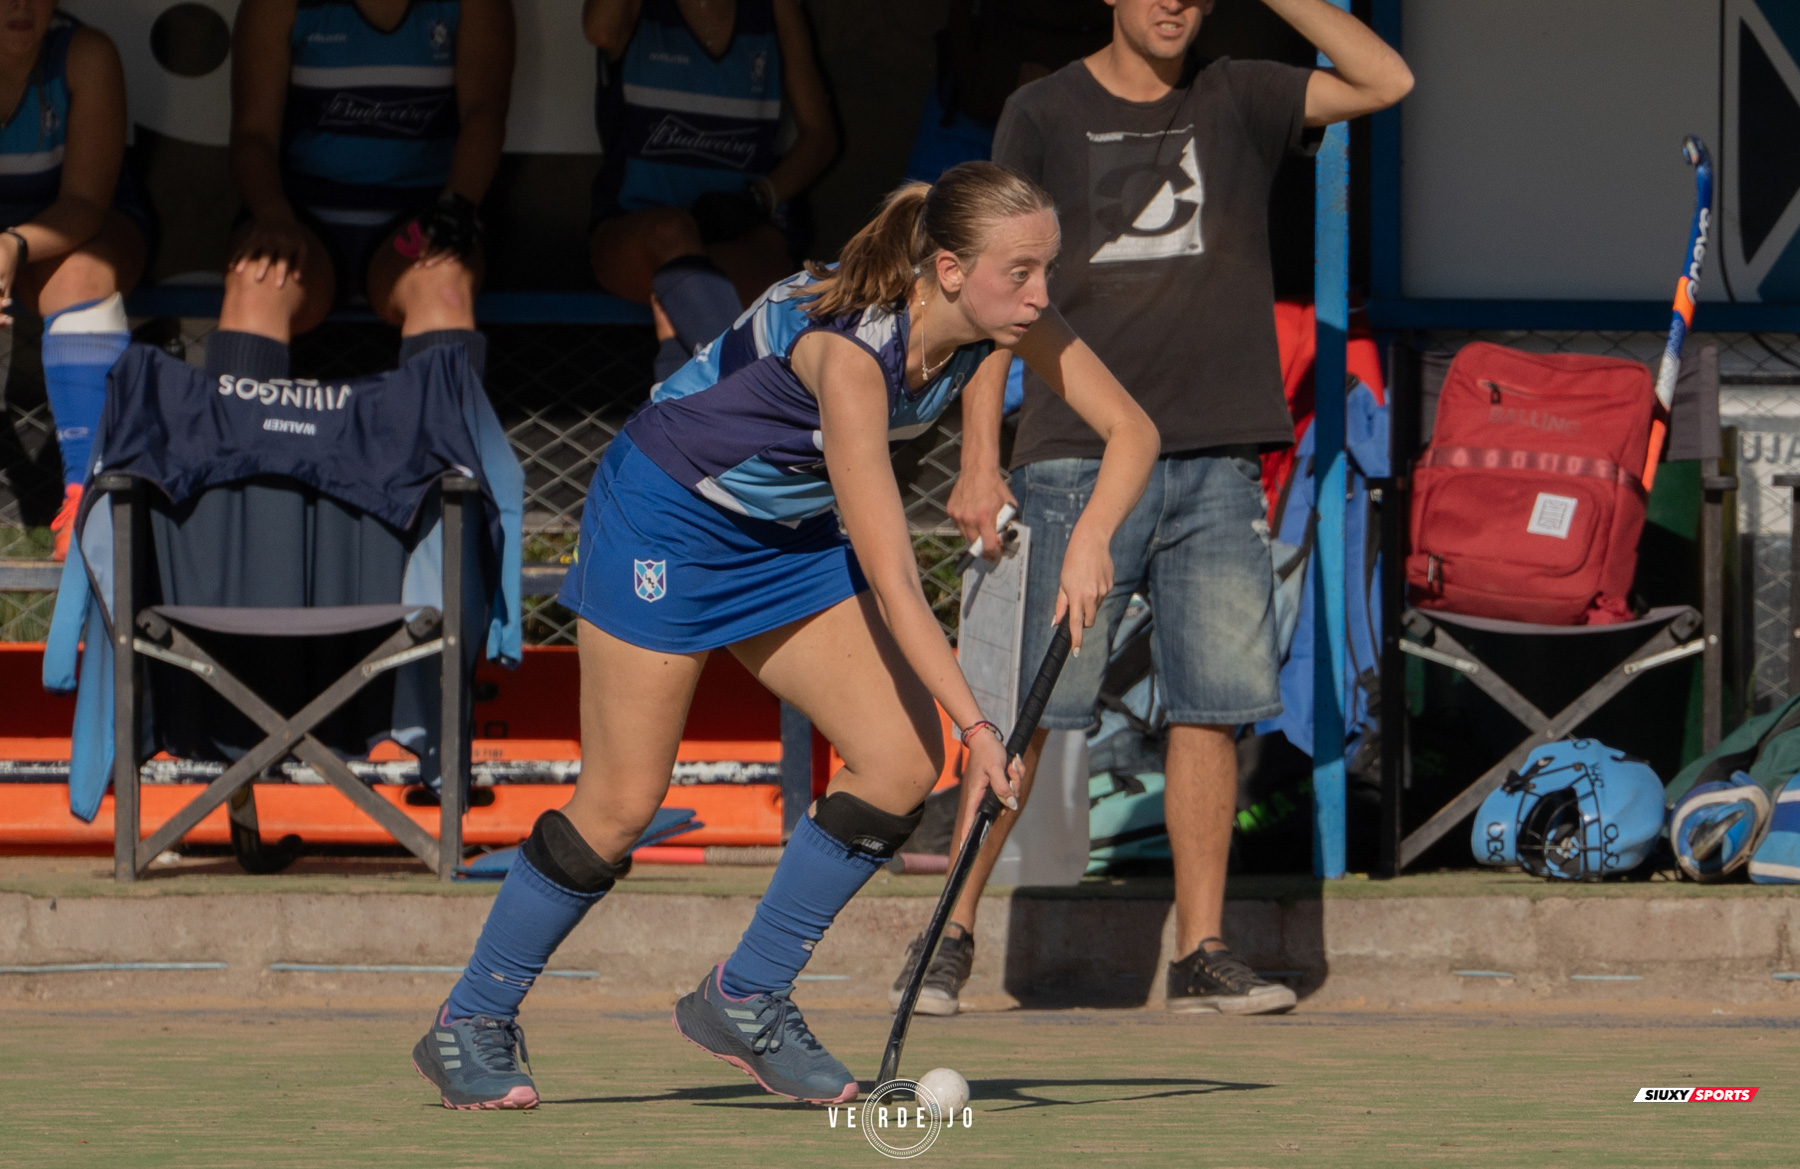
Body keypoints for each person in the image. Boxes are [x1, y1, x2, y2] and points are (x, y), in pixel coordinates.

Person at [410, 161, 1159, 1109]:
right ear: (949, 268)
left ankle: (747, 997)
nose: (1042, 294)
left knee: (895, 763)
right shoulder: (849, 355)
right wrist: (979, 729)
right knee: (622, 802)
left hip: (783, 536)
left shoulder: (997, 318)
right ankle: (470, 1019)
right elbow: (894, 578)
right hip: (667, 518)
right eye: (1022, 272)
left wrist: (1090, 538)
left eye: (1047, 269)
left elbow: (1133, 430)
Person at [891, 0, 1412, 1018]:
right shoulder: (1042, 109)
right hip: (1074, 459)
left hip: (1217, 457)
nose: (1172, 2)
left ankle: (1202, 950)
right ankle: (946, 934)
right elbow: (998, 292)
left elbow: (1388, 81)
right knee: (1028, 707)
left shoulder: (1243, 92)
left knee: (1210, 711)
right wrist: (980, 456)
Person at [215, 0, 513, 388]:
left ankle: (440, 447)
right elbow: (253, 136)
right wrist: (274, 217)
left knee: (443, 285)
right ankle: (234, 446)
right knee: (257, 282)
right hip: (301, 222)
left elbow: (484, 116)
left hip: (413, 225)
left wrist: (453, 210)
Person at [583, 0, 835, 380]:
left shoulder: (773, 10)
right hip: (635, 233)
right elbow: (598, 30)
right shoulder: (635, 12)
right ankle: (743, 402)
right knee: (675, 240)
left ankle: (695, 416)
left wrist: (757, 199)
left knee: (690, 297)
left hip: (742, 231)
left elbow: (821, 136)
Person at [0, 4, 149, 560]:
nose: (19, 5)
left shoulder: (84, 54)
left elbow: (85, 204)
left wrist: (13, 246)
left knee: (81, 274)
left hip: (79, 230)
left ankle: (89, 503)